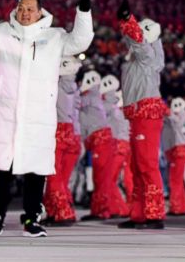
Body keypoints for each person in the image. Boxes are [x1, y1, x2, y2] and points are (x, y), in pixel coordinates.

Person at [0, 0, 94, 237]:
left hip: (38, 117)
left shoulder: (54, 37)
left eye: (30, 8)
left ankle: (32, 219)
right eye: (21, 7)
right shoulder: (2, 33)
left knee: (36, 170)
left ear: (40, 12)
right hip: (8, 113)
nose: (24, 12)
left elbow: (81, 41)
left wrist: (83, 12)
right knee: (4, 168)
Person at [115, 3, 169, 229]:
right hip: (139, 113)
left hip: (146, 112)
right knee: (138, 166)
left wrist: (129, 21)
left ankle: (155, 214)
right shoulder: (140, 59)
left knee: (146, 164)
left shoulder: (147, 55)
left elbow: (139, 42)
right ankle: (139, 213)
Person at [43, 57, 81, 226]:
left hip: (58, 129)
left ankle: (62, 212)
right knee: (62, 178)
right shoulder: (74, 88)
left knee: (54, 176)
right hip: (72, 132)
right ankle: (56, 211)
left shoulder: (55, 86)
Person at [79, 70, 116, 221]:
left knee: (100, 177)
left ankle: (101, 211)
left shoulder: (91, 96)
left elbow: (77, 102)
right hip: (100, 140)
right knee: (101, 177)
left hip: (100, 140)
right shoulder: (94, 96)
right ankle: (101, 209)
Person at [100, 75, 131, 218]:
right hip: (122, 145)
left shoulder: (114, 110)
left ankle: (120, 209)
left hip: (117, 145)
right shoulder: (119, 111)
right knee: (114, 179)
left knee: (110, 179)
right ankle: (118, 207)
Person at [162, 97, 185, 217]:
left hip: (178, 149)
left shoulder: (181, 115)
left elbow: (178, 123)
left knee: (175, 180)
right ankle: (180, 206)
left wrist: (169, 113)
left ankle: (177, 207)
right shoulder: (170, 118)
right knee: (176, 180)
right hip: (173, 149)